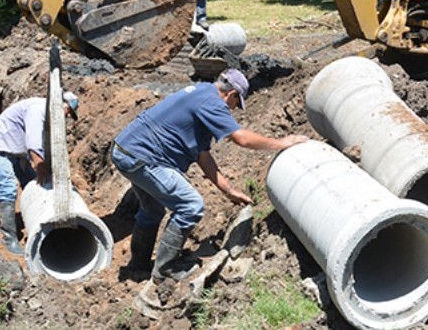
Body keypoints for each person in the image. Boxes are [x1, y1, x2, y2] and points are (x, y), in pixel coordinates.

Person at [112, 68, 308, 282]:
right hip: (144, 157)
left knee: (152, 208)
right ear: (232, 95)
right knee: (190, 205)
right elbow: (241, 138)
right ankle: (164, 270)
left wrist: (229, 190)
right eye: (235, 104)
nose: (232, 110)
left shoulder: (203, 91)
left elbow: (202, 155)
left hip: (126, 149)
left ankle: (138, 266)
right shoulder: (213, 103)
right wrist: (282, 143)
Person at [0, 91, 80, 255]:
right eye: (67, 111)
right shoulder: (38, 109)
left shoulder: (49, 115)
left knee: (33, 185)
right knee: (8, 187)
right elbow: (33, 144)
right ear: (58, 102)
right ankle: (9, 237)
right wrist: (40, 166)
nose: (67, 116)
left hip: (17, 150)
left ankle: (43, 223)